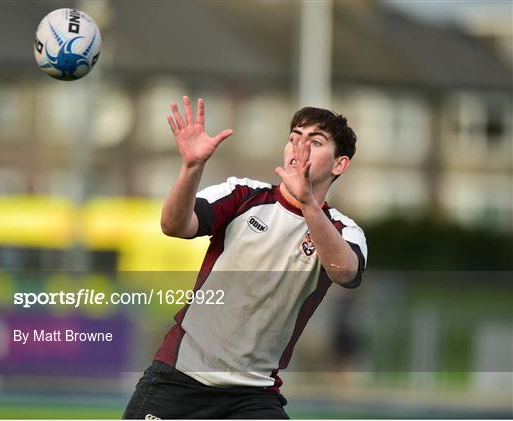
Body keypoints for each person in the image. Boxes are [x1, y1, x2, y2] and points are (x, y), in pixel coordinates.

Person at [123, 96, 367, 419]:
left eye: (315, 141)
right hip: (179, 379)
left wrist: (309, 204)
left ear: (340, 164)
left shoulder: (344, 230)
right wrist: (191, 168)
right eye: (294, 138)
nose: (299, 147)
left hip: (252, 396)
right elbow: (173, 225)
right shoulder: (242, 195)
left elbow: (345, 272)